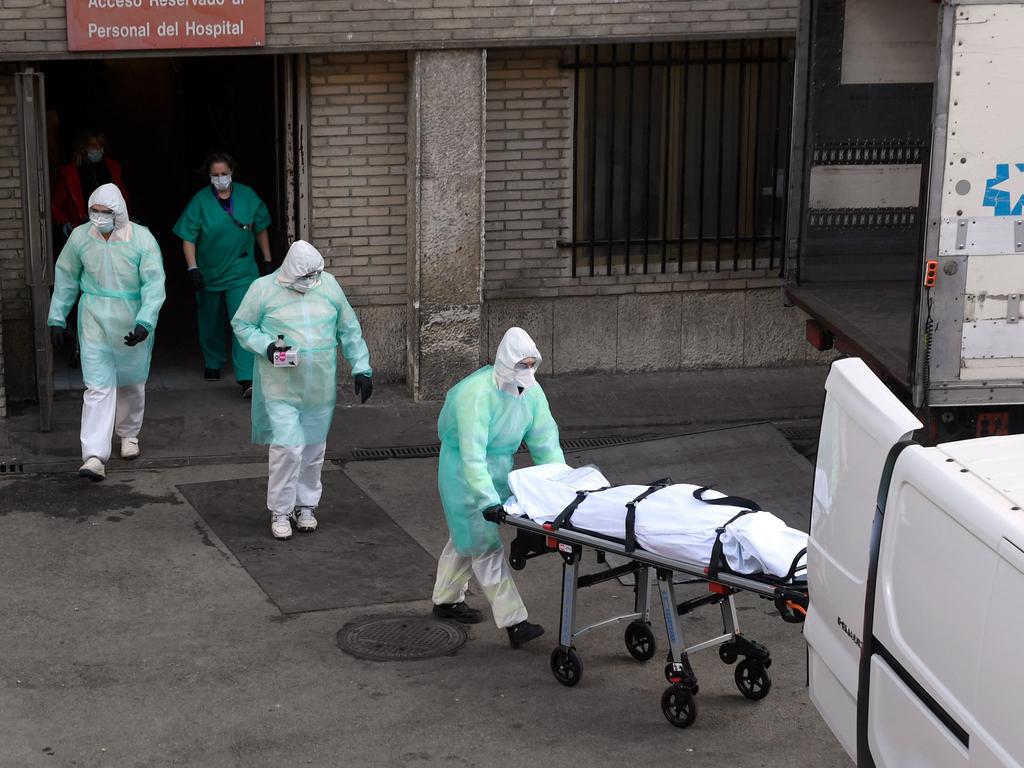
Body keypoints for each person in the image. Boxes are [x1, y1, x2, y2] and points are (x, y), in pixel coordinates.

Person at [431, 327, 564, 648]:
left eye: (532, 364)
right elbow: (472, 454)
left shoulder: (531, 393)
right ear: (506, 361)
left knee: (466, 538)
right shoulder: (476, 395)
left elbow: (546, 441)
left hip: (500, 468)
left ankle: (445, 600)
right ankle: (515, 622)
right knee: (485, 545)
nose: (528, 371)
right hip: (462, 472)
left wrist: (562, 485)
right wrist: (487, 499)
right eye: (522, 364)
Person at [231, 240, 373, 540]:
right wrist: (266, 346)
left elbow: (348, 328)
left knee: (312, 449)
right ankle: (280, 510)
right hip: (280, 387)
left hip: (320, 386)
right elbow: (242, 325)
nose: (311, 282)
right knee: (287, 448)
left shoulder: (329, 285)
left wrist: (361, 367)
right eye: (305, 277)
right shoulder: (263, 289)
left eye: (315, 275)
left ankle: (305, 505)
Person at [47, 183, 166, 481]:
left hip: (131, 317)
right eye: (94, 211)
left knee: (132, 383)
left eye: (106, 212)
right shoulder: (80, 237)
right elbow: (66, 276)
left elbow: (154, 283)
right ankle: (94, 456)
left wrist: (145, 321)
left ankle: (128, 434)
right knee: (98, 386)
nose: (99, 217)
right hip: (95, 319)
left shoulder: (141, 240)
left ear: (120, 212)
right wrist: (57, 317)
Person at [173, 152, 273, 398]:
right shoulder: (200, 201)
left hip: (241, 270)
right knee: (210, 318)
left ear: (232, 172)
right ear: (209, 176)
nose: (220, 179)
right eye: (215, 175)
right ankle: (213, 362)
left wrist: (268, 260)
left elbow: (261, 228)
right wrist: (192, 267)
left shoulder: (248, 196)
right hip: (209, 270)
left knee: (243, 320)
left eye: (224, 174)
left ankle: (246, 376)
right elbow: (188, 237)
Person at [51, 131, 129, 242]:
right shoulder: (69, 174)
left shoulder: (113, 169)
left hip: (111, 229)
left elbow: (122, 197)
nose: (98, 149)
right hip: (83, 231)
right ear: (83, 148)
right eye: (93, 145)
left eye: (100, 145)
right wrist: (63, 222)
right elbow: (54, 204)